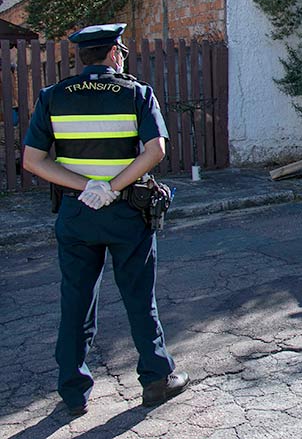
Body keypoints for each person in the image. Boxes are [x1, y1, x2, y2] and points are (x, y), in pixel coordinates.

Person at [21, 24, 188, 416]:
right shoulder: (137, 93)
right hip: (129, 211)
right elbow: (156, 151)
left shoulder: (52, 96)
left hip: (77, 214)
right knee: (138, 298)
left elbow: (33, 160)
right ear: (114, 53)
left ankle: (73, 391)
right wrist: (112, 186)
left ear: (83, 57)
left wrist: (87, 187)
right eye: (122, 51)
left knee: (75, 300)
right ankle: (156, 378)